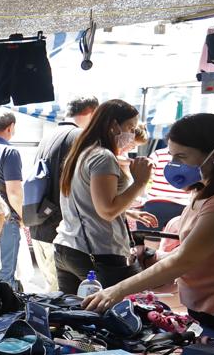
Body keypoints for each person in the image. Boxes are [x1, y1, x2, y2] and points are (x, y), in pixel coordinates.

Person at [83, 114, 214, 340]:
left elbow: (184, 259)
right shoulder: (205, 190)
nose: (174, 164)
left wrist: (117, 290)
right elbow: (201, 254)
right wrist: (154, 256)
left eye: (182, 156)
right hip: (206, 308)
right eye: (172, 155)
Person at [54, 100, 157, 294]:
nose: (132, 134)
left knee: (75, 316)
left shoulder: (83, 152)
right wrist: (140, 182)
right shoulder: (103, 156)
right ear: (113, 125)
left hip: (68, 248)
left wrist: (128, 212)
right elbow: (107, 210)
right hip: (96, 251)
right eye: (130, 127)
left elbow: (90, 201)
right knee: (119, 314)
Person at [28, 97, 99, 292]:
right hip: (60, 229)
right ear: (92, 112)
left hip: (39, 223)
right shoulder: (78, 137)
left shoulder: (49, 136)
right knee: (62, 298)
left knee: (51, 289)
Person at [0, 112, 24, 287]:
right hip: (5, 219)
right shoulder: (9, 152)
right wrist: (24, 218)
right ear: (11, 127)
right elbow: (14, 193)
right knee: (4, 276)